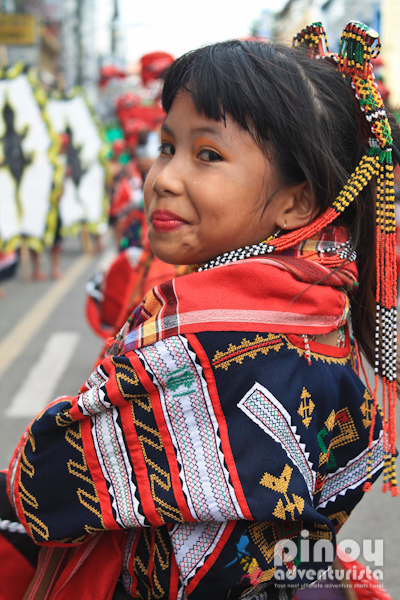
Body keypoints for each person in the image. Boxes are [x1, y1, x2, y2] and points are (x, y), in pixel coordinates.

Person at [2, 22, 399, 600]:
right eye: (167, 147)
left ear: (297, 202)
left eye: (207, 154)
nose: (163, 178)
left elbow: (47, 481)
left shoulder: (209, 335)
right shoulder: (317, 304)